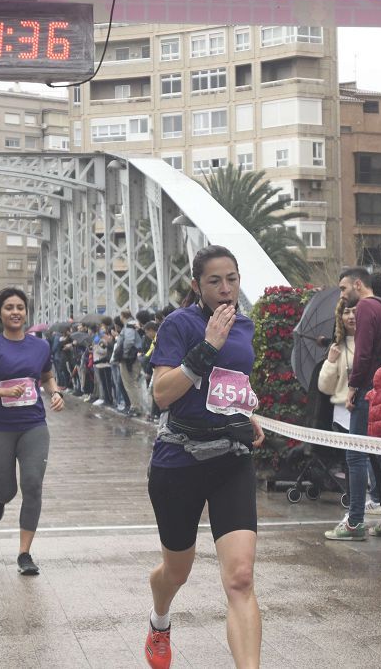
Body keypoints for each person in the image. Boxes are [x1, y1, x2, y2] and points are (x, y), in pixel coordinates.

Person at [144, 245, 265, 669]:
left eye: (232, 278)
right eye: (215, 280)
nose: (226, 288)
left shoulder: (246, 326)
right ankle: (160, 621)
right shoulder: (179, 325)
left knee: (241, 578)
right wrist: (208, 346)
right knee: (176, 571)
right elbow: (162, 395)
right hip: (179, 463)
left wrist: (245, 414)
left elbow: (230, 384)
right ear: (197, 285)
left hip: (231, 461)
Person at [0, 287, 65, 576]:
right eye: (9, 307)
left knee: (32, 485)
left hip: (34, 425)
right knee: (8, 490)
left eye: (20, 307)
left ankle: (24, 553)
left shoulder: (40, 347)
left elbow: (46, 376)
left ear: (26, 312)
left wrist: (55, 392)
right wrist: (2, 391)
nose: (16, 312)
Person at [329, 267, 381, 541]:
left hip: (367, 389)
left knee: (356, 453)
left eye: (343, 288)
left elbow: (363, 354)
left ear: (358, 284)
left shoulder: (364, 308)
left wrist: (352, 387)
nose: (342, 294)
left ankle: (355, 521)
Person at [318, 300, 358, 536]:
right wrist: (331, 362)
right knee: (350, 465)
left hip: (365, 412)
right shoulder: (337, 346)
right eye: (346, 311)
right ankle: (354, 513)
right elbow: (324, 386)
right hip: (342, 415)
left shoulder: (370, 341)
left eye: (355, 311)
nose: (351, 316)